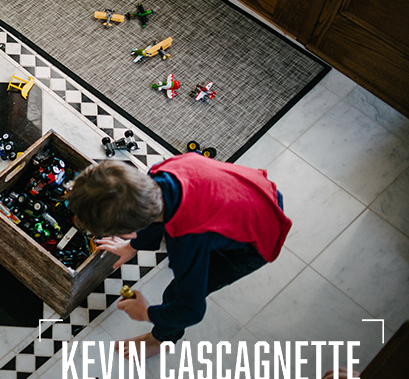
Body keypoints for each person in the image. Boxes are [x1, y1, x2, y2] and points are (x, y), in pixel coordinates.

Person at [65, 153, 291, 357]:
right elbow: (153, 215)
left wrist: (146, 313)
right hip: (255, 192)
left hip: (255, 241)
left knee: (174, 293)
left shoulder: (186, 240)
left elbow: (191, 310)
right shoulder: (160, 172)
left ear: (127, 230)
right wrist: (132, 245)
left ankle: (162, 339)